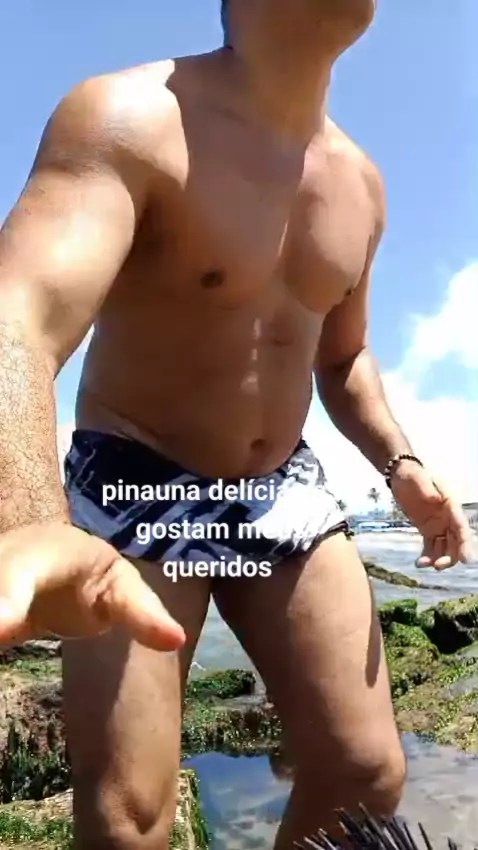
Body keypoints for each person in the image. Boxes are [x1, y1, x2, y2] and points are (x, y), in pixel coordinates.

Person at [0, 1, 472, 848]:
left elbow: (343, 357)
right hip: (135, 475)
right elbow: (19, 314)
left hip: (282, 487)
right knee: (131, 817)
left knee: (365, 773)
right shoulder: (132, 116)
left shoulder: (361, 183)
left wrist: (399, 462)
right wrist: (29, 521)